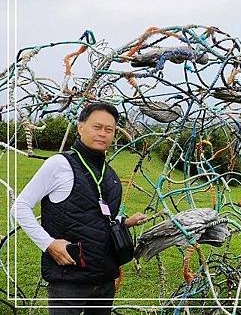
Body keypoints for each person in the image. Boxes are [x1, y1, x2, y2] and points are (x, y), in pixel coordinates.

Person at [10, 102, 148, 314]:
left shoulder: (110, 175)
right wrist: (49, 244)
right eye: (97, 127)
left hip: (104, 279)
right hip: (69, 280)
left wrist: (124, 222)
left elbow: (98, 219)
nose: (103, 133)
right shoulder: (60, 164)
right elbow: (20, 206)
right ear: (80, 127)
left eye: (109, 129)